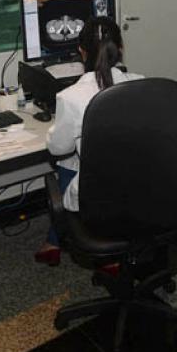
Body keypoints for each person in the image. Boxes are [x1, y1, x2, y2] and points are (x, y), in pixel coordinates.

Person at [35, 17, 143, 266]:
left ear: (81, 52)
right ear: (121, 48)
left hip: (99, 195)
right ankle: (59, 240)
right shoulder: (141, 83)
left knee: (66, 159)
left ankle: (57, 239)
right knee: (78, 157)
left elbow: (58, 147)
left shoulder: (71, 97)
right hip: (143, 186)